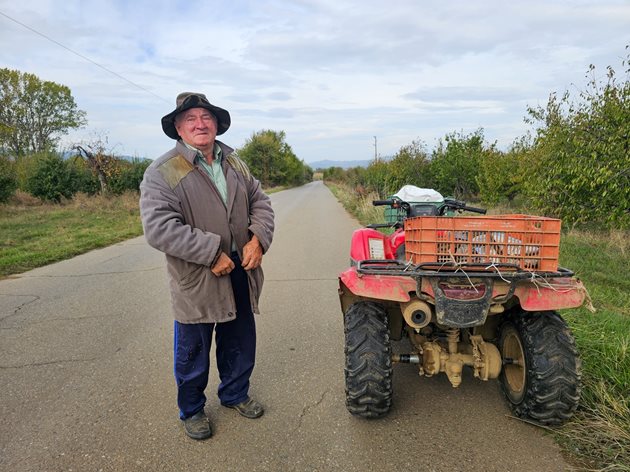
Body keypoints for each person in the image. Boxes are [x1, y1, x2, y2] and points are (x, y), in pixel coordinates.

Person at [139, 92, 274, 440]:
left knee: (240, 339)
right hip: (197, 276)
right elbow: (159, 228)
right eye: (191, 119)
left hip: (242, 270)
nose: (200, 124)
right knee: (193, 350)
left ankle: (234, 394)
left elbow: (261, 202)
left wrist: (258, 239)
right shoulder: (162, 171)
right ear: (179, 129)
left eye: (206, 118)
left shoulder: (235, 163)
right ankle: (192, 410)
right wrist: (211, 253)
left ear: (216, 124)